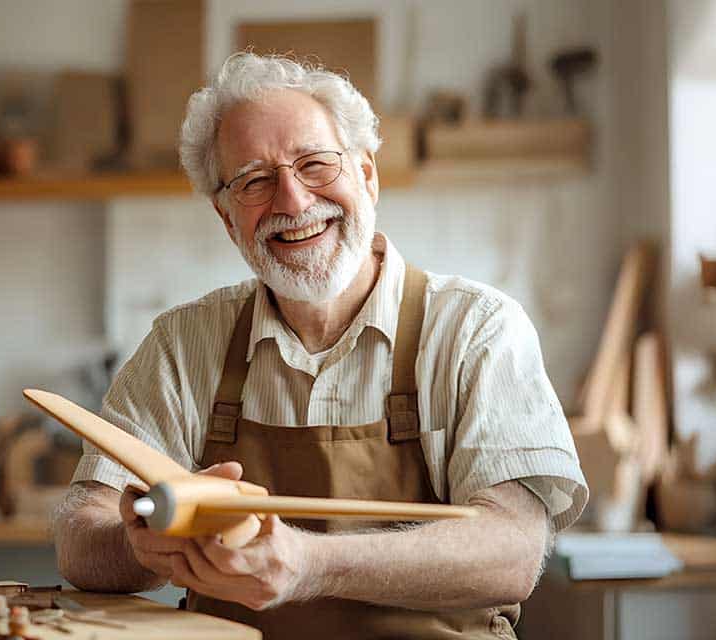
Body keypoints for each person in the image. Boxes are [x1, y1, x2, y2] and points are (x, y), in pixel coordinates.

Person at [54, 52, 588, 639]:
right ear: (228, 217)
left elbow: (511, 551)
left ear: (367, 175)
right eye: (255, 180)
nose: (293, 201)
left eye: (314, 164)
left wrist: (307, 565)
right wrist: (146, 544)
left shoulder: (476, 330)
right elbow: (82, 536)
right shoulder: (184, 346)